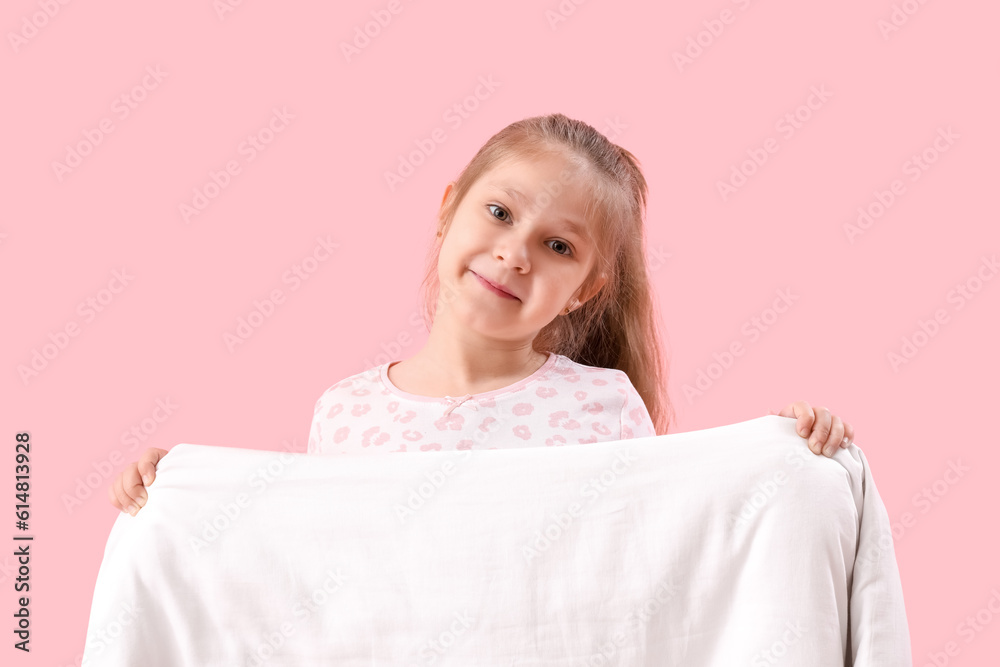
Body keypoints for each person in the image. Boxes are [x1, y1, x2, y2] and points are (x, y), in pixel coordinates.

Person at [109, 113, 855, 516]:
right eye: (498, 212)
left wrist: (788, 447)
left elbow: (671, 538)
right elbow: (307, 563)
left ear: (587, 288)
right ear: (448, 209)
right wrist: (179, 489)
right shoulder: (344, 412)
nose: (515, 253)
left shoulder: (600, 405)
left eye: (557, 245)